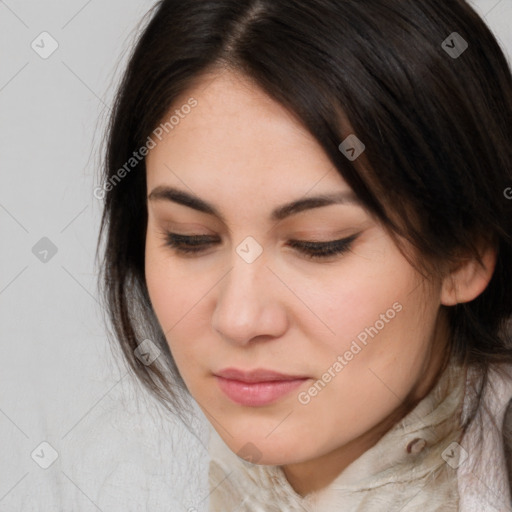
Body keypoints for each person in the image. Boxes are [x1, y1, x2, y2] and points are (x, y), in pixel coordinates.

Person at [95, 0, 512, 510]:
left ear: (464, 252)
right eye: (190, 238)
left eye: (319, 244)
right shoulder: (94, 472)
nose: (239, 319)